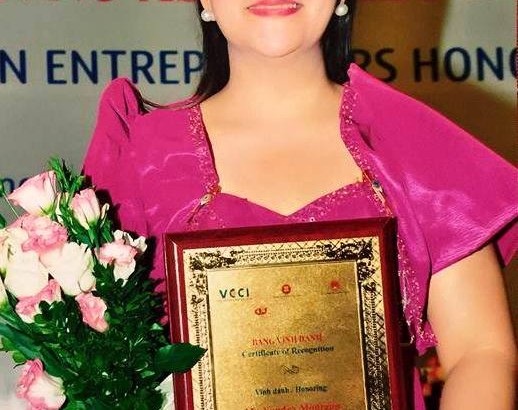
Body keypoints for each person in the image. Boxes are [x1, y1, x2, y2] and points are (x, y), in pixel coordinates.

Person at [81, 1, 518, 409]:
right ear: (206, 2)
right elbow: (101, 365)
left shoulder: (417, 149)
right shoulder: (139, 159)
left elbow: (480, 352)